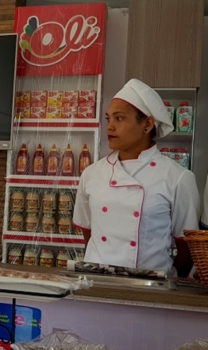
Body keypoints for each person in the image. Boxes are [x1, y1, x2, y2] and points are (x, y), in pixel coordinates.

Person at [73, 78, 199, 276]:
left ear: (147, 124)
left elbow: (185, 247)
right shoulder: (92, 174)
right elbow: (88, 232)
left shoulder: (178, 178)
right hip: (96, 284)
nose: (110, 127)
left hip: (151, 289)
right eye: (109, 119)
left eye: (119, 118)